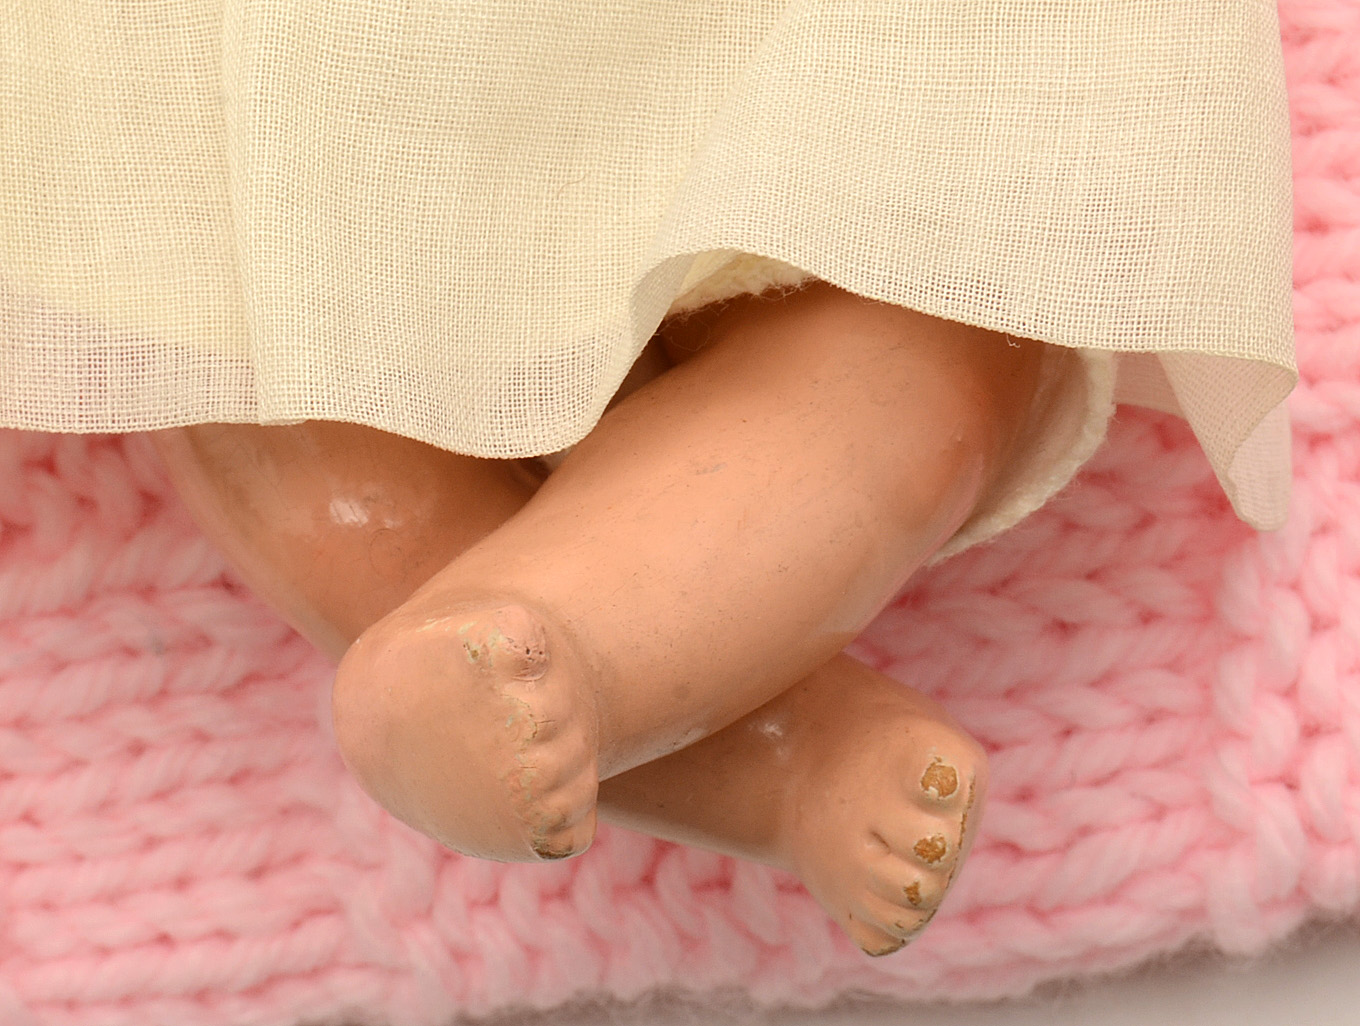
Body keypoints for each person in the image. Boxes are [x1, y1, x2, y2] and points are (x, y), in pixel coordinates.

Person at [0, 1, 1296, 956]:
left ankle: (648, 679)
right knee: (233, 356)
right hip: (284, 80)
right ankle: (728, 738)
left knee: (924, 340)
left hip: (814, 63)